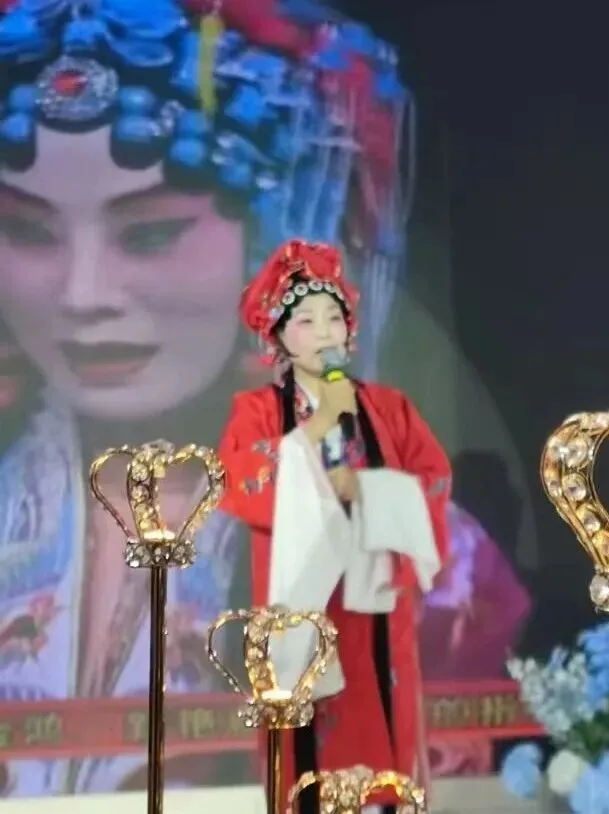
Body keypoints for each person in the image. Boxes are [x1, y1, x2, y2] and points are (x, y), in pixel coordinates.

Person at [0, 0, 413, 796]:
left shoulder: (381, 523)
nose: (83, 295)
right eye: (27, 233)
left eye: (151, 234)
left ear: (275, 242)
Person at [218, 239, 451, 814]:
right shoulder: (257, 411)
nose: (325, 331)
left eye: (334, 317)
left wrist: (366, 491)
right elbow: (242, 482)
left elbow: (432, 481)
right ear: (278, 337)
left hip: (374, 603)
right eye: (305, 320)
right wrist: (320, 425)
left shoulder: (389, 408)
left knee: (380, 735)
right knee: (306, 739)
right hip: (304, 601)